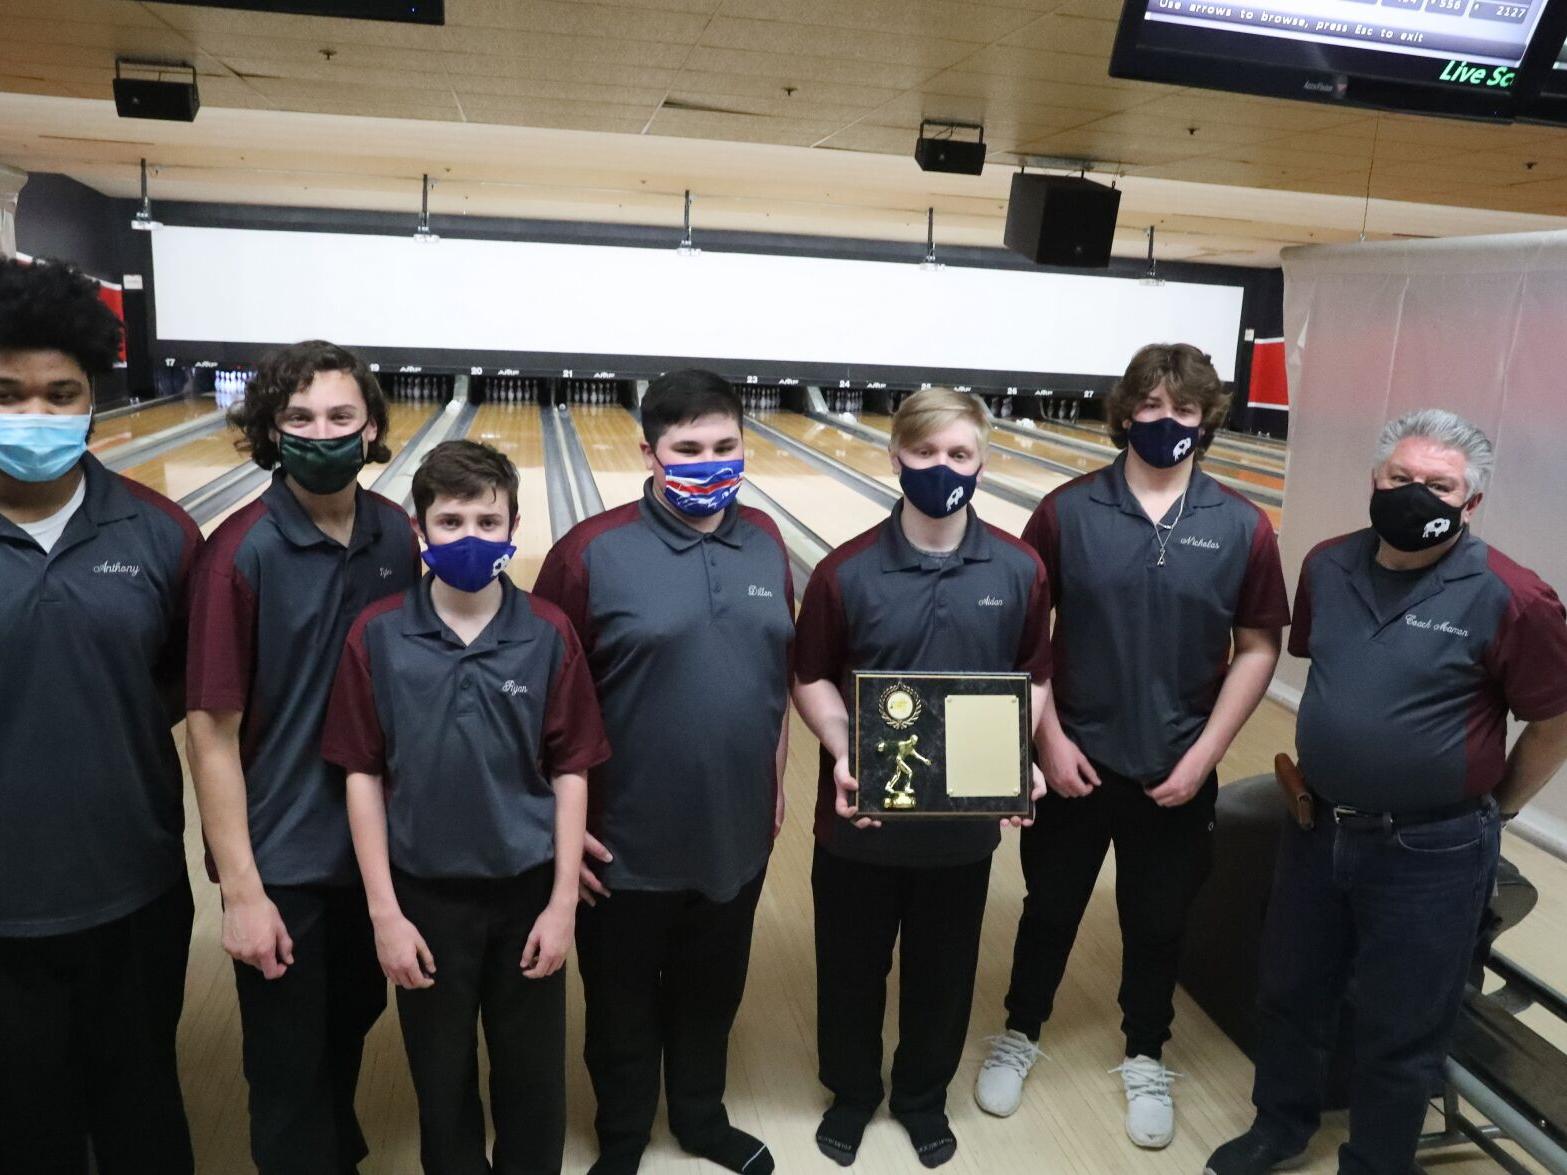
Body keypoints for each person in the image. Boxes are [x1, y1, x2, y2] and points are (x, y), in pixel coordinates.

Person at [1207, 408, 1567, 1175]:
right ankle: (1280, 1124)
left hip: (1431, 847)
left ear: (1469, 503)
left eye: (1438, 484)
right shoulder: (1328, 566)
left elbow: (1553, 722)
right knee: (1291, 989)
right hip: (1315, 825)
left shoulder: (1514, 596)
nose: (1414, 494)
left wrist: (1491, 809)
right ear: (1374, 481)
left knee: (1400, 1021)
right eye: (1399, 478)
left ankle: (1376, 1161)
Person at [974, 344, 1289, 1148]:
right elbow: (1022, 632)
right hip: (1074, 759)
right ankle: (1020, 1029)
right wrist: (1044, 742)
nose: (1165, 422)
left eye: (1183, 410)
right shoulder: (1066, 509)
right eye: (1149, 407)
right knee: (1048, 908)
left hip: (1176, 767)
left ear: (1206, 419)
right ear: (1123, 414)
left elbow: (1257, 645)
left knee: (1159, 921)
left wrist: (1203, 756)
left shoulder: (1240, 524)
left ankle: (1145, 1050)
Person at [532, 369, 793, 1175]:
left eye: (724, 446)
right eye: (687, 448)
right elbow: (540, 703)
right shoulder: (589, 553)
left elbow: (771, 675)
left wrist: (776, 780)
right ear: (648, 451)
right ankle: (621, 1138)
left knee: (711, 993)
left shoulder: (767, 541)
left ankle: (699, 1119)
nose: (708, 461)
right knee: (619, 1006)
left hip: (735, 830)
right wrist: (561, 832)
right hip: (621, 840)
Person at [324, 440, 609, 1174]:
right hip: (422, 896)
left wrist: (560, 905)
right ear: (419, 531)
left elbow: (572, 769)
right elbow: (359, 772)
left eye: (489, 520)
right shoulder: (378, 633)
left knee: (532, 1077)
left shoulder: (547, 631)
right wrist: (384, 913)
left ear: (514, 526)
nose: (471, 537)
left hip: (526, 891)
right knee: (440, 1079)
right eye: (450, 522)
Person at [791, 387, 1051, 1169]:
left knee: (944, 969)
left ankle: (919, 1097)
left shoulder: (1017, 566)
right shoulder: (845, 571)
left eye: (960, 454)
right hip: (859, 818)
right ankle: (851, 1093)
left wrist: (1020, 754)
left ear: (982, 461)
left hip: (959, 827)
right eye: (927, 453)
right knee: (849, 966)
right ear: (896, 456)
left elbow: (1031, 674)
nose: (944, 468)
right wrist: (843, 749)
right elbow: (809, 677)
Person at [186, 339, 420, 1174]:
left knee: (351, 1015)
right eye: (299, 418)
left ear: (370, 429)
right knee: (284, 1063)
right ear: (272, 431)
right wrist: (240, 890)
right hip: (283, 854)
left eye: (339, 417)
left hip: (375, 849)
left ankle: (336, 1142)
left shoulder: (398, 532)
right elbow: (210, 731)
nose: (321, 433)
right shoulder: (239, 551)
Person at [0, 256, 201, 1173]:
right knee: (25, 1121)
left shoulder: (160, 532)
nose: (33, 414)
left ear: (92, 398)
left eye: (58, 392)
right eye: (7, 392)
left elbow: (180, 686)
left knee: (140, 1105)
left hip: (133, 885)